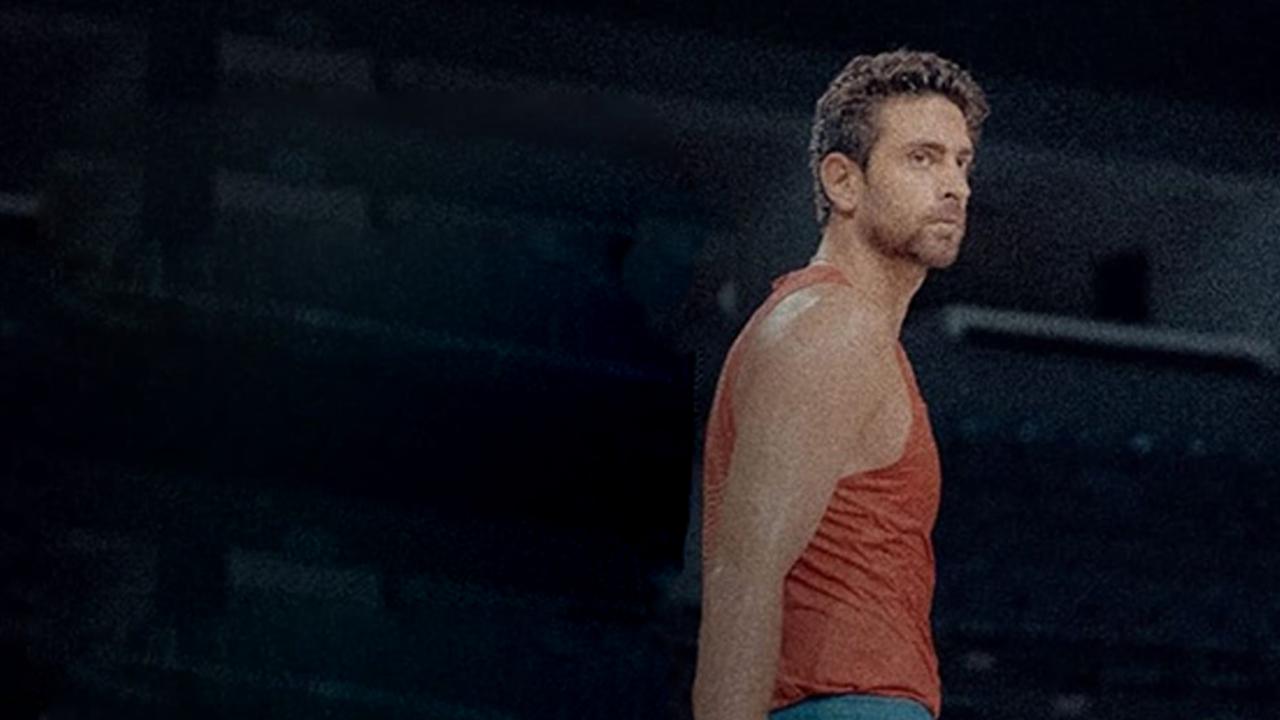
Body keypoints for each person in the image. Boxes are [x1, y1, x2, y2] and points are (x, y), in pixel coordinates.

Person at [692, 50, 989, 720]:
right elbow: (743, 575)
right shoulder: (830, 326)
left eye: (961, 162)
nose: (955, 186)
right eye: (922, 158)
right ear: (843, 181)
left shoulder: (853, 332)